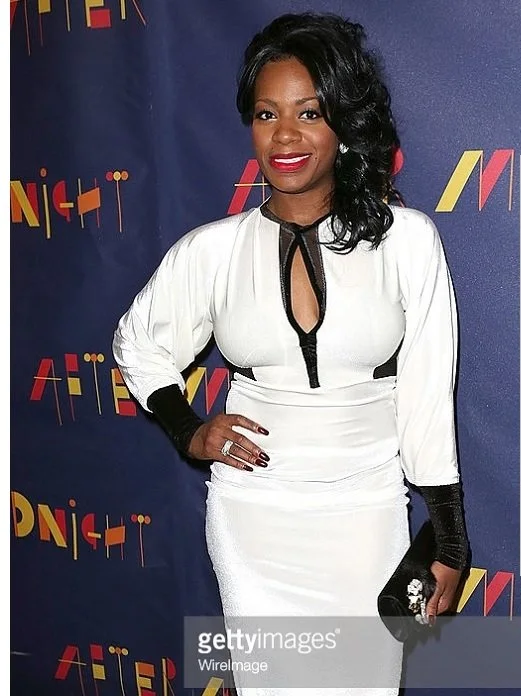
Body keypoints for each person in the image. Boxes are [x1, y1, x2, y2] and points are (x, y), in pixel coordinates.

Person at [113, 13, 468, 694]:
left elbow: (426, 395)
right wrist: (189, 429)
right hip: (254, 519)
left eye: (309, 112)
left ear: (343, 123)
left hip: (365, 509)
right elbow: (139, 343)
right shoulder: (211, 250)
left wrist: (449, 541)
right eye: (266, 113)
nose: (285, 135)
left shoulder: (408, 242)